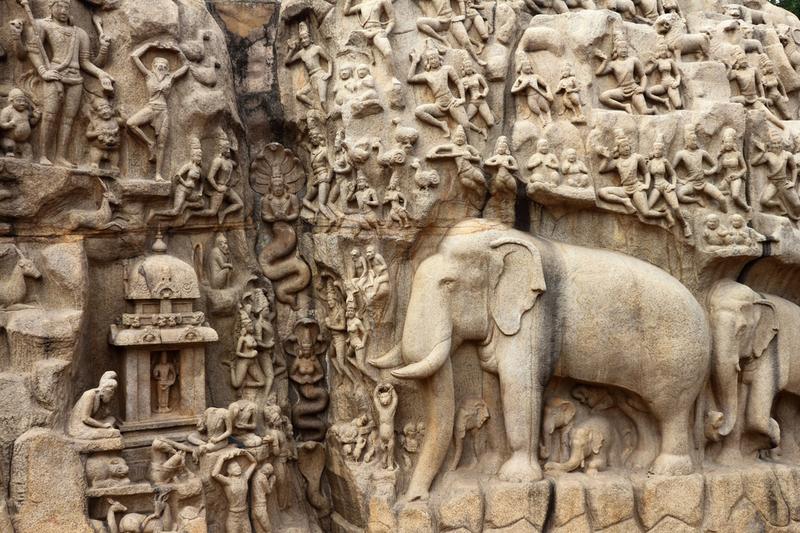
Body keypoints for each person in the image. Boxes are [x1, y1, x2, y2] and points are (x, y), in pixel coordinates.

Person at [14, 0, 114, 167]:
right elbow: (33, 51)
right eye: (58, 6)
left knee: (68, 120)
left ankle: (61, 156)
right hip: (54, 75)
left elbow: (85, 62)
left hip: (75, 79)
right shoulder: (41, 25)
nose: (63, 10)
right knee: (50, 115)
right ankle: (43, 155)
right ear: (51, 8)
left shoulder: (79, 33)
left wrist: (102, 74)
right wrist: (43, 71)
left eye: (66, 7)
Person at [128, 42, 189, 181]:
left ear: (167, 68)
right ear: (154, 66)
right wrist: (149, 46)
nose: (161, 66)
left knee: (162, 144)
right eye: (158, 64)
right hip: (150, 107)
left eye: (164, 65)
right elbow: (134, 56)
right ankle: (149, 143)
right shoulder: (149, 75)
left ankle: (158, 174)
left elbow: (186, 66)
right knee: (130, 123)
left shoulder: (170, 78)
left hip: (163, 111)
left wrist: (177, 50)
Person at [285, 22, 332, 110]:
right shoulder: (301, 53)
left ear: (310, 38)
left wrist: (329, 73)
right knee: (299, 94)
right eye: (301, 39)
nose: (303, 40)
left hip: (320, 75)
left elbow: (329, 60)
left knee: (323, 101)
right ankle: (315, 106)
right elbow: (287, 62)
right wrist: (291, 50)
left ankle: (328, 116)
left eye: (305, 38)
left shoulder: (317, 48)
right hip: (311, 78)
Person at [212, 449, 257, 533]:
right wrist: (221, 459)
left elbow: (254, 463)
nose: (238, 468)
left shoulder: (245, 477)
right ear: (229, 471)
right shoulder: (228, 481)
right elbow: (214, 474)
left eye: (238, 466)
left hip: (244, 515)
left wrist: (246, 453)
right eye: (234, 467)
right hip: (233, 516)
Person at [67, 374, 120, 440]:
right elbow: (85, 418)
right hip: (79, 428)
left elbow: (99, 416)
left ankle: (105, 429)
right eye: (111, 392)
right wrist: (103, 425)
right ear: (104, 390)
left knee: (112, 419)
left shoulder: (99, 398)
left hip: (89, 423)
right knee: (114, 432)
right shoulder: (90, 394)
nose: (112, 396)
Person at [252, 462, 276, 533]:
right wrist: (272, 481)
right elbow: (268, 491)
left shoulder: (257, 472)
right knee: (268, 528)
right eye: (269, 472)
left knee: (259, 529)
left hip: (254, 505)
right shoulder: (263, 478)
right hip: (260, 505)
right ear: (267, 471)